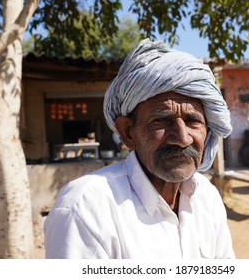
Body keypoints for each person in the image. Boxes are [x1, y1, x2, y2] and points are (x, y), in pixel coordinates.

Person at [44, 39, 235, 259]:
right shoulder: (85, 209)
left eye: (193, 121)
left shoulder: (206, 196)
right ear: (127, 132)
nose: (182, 138)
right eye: (162, 121)